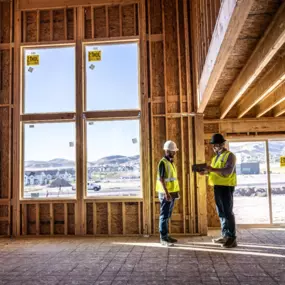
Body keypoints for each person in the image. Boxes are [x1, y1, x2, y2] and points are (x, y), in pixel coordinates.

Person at [200, 133, 237, 248]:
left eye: (215, 145)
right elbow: (213, 172)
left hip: (226, 187)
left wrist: (212, 169)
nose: (214, 147)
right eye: (213, 145)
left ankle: (232, 238)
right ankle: (225, 235)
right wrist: (205, 173)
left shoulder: (230, 156)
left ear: (222, 144)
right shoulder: (215, 158)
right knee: (221, 213)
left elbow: (227, 172)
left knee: (228, 212)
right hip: (217, 187)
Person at [156, 140, 180, 246]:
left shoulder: (170, 162)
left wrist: (174, 192)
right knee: (164, 215)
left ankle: (166, 236)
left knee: (168, 215)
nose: (174, 153)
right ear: (167, 151)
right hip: (166, 193)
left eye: (174, 151)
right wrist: (166, 193)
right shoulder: (163, 162)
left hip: (172, 192)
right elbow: (161, 179)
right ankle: (163, 238)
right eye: (172, 151)